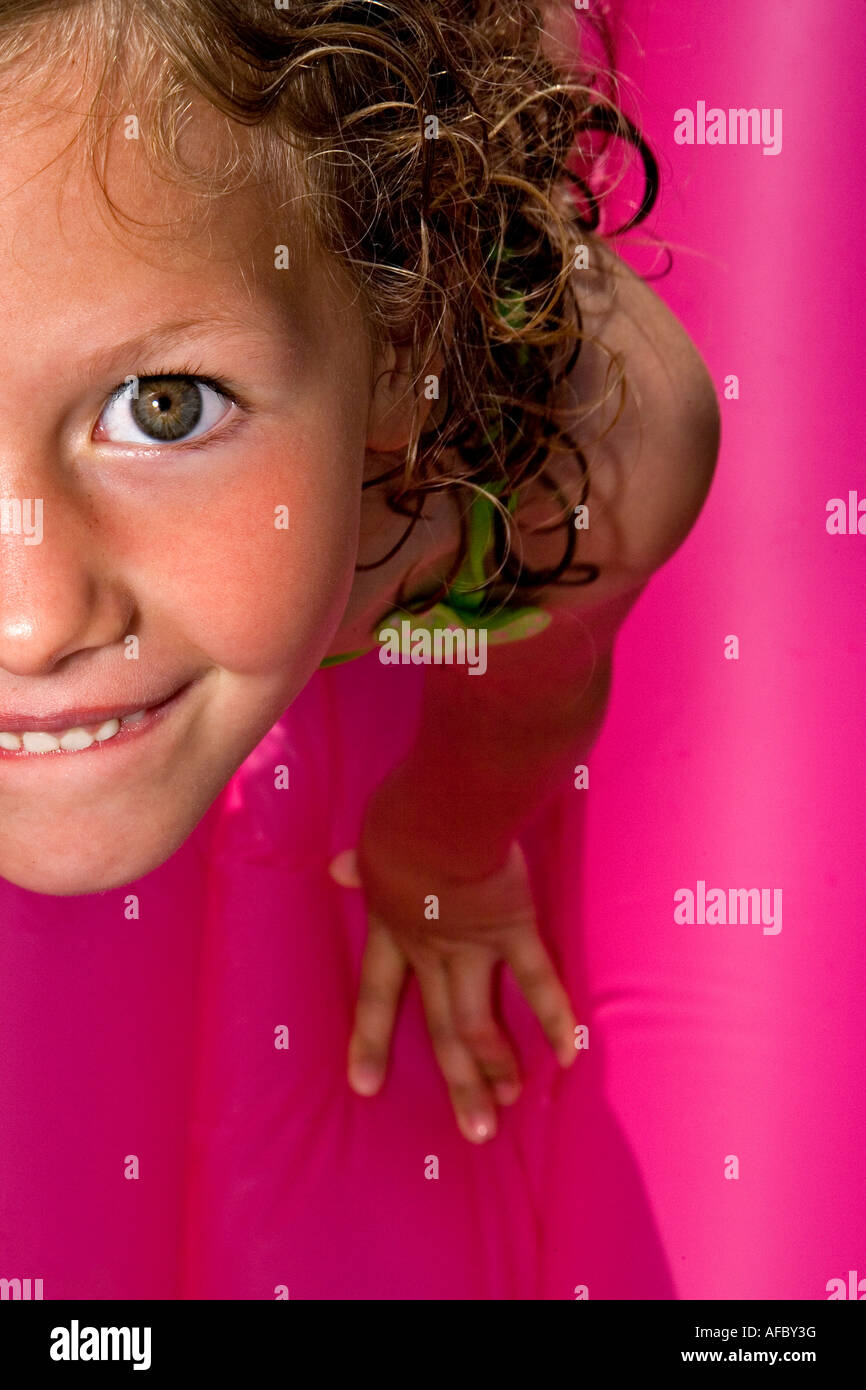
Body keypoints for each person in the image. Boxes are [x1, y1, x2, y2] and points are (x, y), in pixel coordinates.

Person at [0, 0, 718, 1162]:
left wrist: (439, 850)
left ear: (402, 348)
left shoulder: (575, 470)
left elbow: (521, 703)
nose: (31, 621)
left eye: (165, 406)